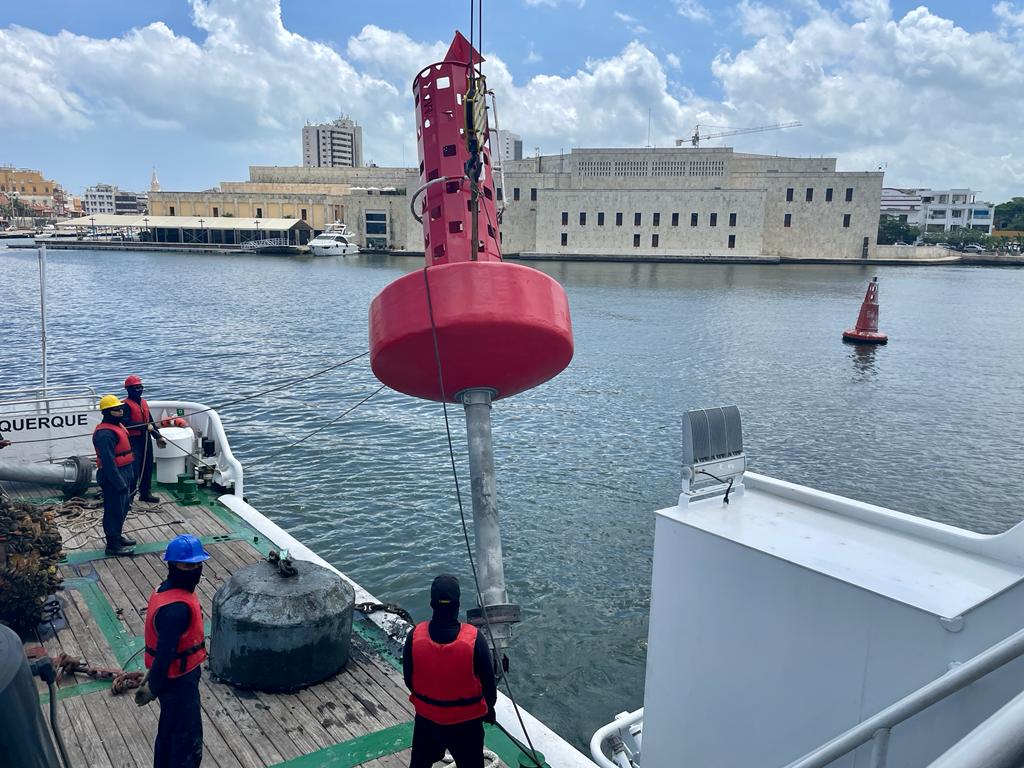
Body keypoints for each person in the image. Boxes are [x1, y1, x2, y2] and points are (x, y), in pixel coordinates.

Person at [403, 574, 497, 768]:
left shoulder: (414, 636)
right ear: (458, 603)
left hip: (426, 721)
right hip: (466, 724)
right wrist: (488, 710)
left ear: (431, 603)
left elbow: (409, 680)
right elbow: (490, 688)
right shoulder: (474, 639)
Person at [143, 534, 209, 768]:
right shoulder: (176, 609)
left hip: (175, 678)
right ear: (172, 565)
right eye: (188, 565)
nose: (195, 570)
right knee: (187, 740)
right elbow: (165, 653)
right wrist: (153, 686)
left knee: (169, 729)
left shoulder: (163, 590)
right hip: (179, 681)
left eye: (198, 564)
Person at [92, 394, 136, 556]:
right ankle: (112, 545)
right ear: (108, 412)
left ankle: (117, 537)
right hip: (113, 475)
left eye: (120, 408)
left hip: (125, 471)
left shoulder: (117, 427)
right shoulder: (105, 434)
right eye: (117, 409)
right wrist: (119, 482)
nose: (121, 411)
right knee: (113, 509)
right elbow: (108, 462)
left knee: (122, 507)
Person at [123, 375, 166, 504]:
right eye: (136, 388)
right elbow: (126, 423)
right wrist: (144, 426)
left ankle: (145, 493)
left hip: (146, 438)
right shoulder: (125, 405)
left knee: (147, 467)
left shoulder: (144, 403)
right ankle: (129, 497)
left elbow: (150, 421)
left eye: (140, 387)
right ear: (129, 389)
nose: (139, 390)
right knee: (134, 469)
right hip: (134, 440)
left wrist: (158, 436)